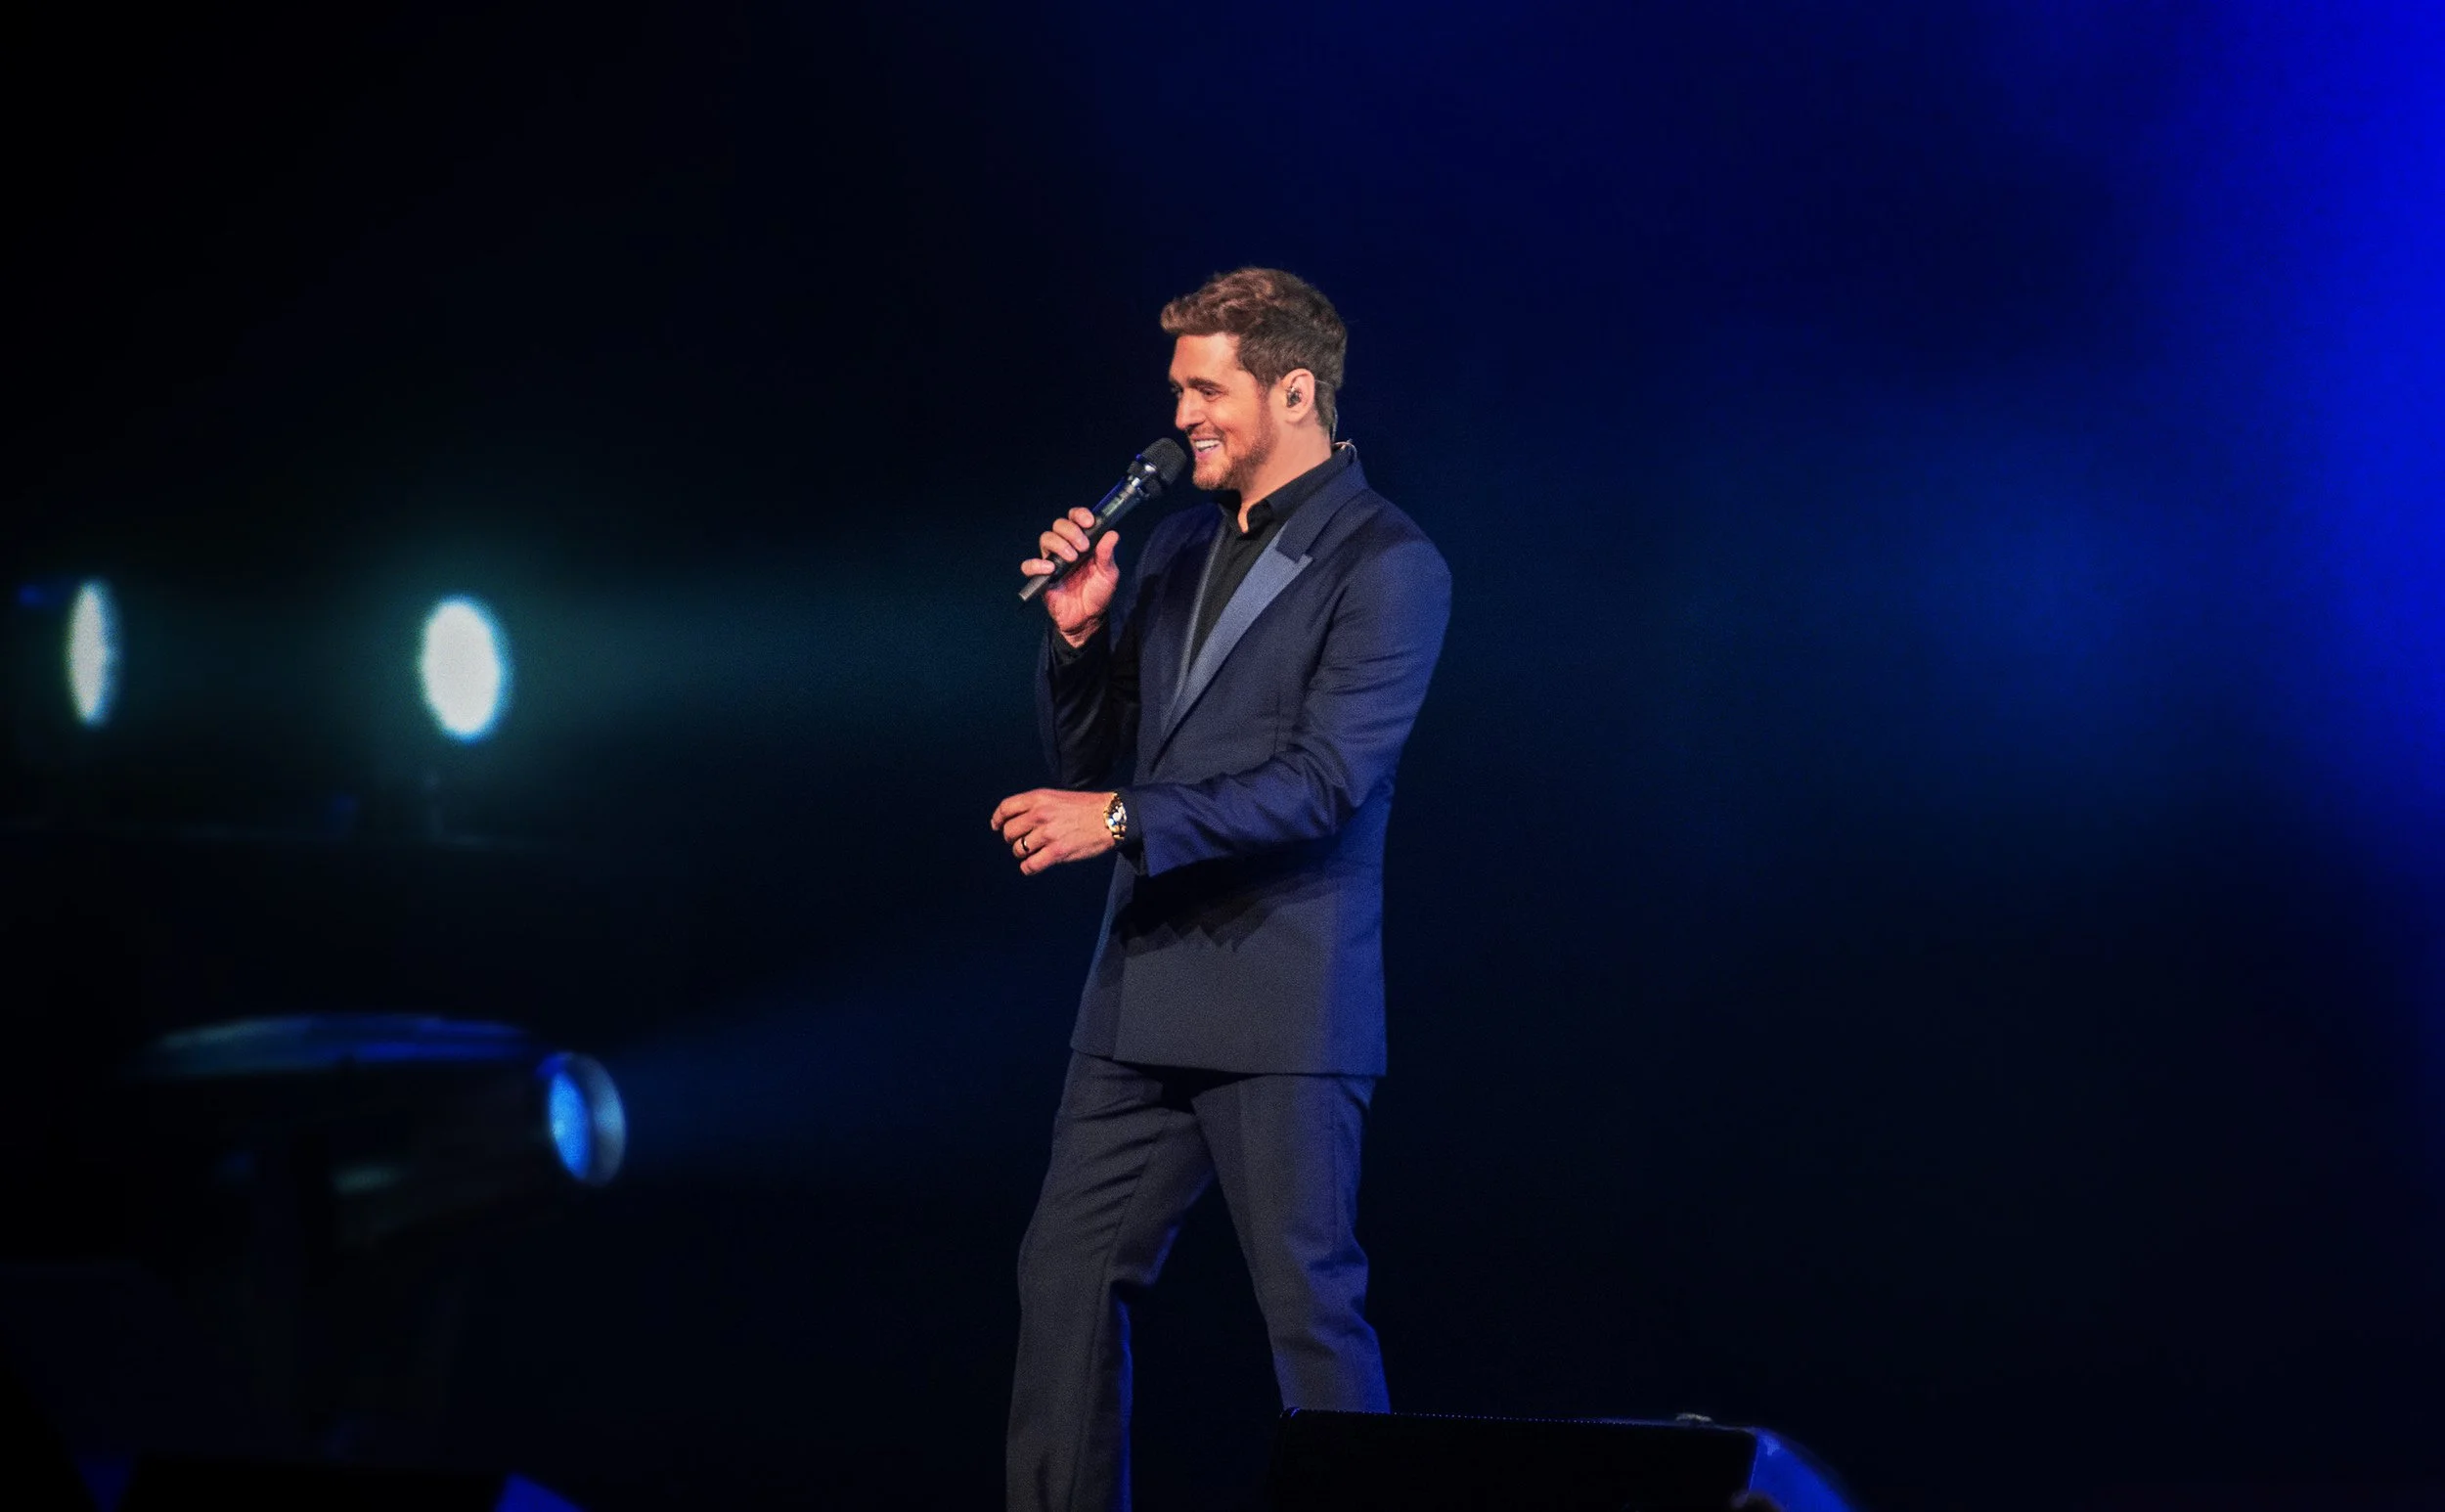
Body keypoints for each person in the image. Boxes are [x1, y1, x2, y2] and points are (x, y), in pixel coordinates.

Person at [990, 267, 1452, 1512]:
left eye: (1207, 388)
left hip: (1280, 1000)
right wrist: (1080, 639)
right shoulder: (1182, 541)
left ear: (1292, 389)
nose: (1182, 413)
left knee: (1309, 1316)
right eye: (1178, 388)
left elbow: (1321, 784)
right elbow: (1096, 763)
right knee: (1065, 1278)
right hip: (1140, 995)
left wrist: (1124, 816)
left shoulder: (1389, 562)